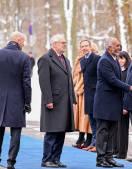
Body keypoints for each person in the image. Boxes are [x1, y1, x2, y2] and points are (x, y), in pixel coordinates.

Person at [93, 37, 132, 168]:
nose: (120, 47)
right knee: (103, 131)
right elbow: (112, 80)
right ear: (109, 48)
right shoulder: (104, 60)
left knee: (112, 130)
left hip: (114, 101)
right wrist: (130, 88)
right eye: (117, 45)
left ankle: (109, 157)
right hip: (104, 102)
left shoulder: (114, 59)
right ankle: (100, 158)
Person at [38, 34, 77, 168]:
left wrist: (73, 99)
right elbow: (44, 82)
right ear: (54, 44)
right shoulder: (45, 59)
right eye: (62, 43)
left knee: (61, 131)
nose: (65, 45)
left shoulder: (65, 59)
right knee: (52, 131)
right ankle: (46, 159)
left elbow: (70, 81)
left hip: (65, 101)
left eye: (65, 43)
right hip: (53, 101)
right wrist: (48, 100)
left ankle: (56, 158)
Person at [0, 31, 31, 169]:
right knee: (15, 133)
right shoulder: (24, 57)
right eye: (23, 41)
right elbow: (26, 82)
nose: (24, 44)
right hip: (17, 100)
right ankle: (11, 163)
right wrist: (27, 101)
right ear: (18, 40)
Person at [79, 40, 101, 152]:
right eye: (82, 46)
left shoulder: (97, 59)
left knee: (97, 120)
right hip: (88, 94)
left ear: (90, 47)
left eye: (86, 46)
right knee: (91, 120)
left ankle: (98, 144)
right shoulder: (82, 61)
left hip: (96, 93)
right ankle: (93, 143)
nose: (84, 48)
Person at [71, 43, 92, 149]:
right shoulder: (80, 59)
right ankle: (81, 137)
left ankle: (88, 139)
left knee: (86, 117)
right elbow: (74, 75)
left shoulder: (88, 59)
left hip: (83, 91)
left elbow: (83, 77)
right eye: (80, 47)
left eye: (83, 46)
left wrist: (75, 88)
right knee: (80, 117)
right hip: (78, 90)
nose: (80, 49)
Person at [113, 51, 132, 159]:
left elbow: (127, 90)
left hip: (124, 104)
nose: (120, 61)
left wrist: (124, 106)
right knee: (115, 129)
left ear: (126, 59)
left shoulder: (128, 72)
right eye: (119, 59)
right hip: (116, 104)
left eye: (123, 58)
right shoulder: (116, 71)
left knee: (123, 130)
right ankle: (115, 150)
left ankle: (122, 153)